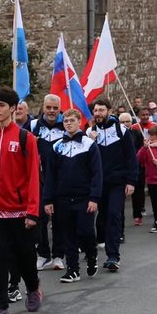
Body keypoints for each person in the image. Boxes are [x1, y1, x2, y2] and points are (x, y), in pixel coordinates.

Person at [0, 88, 43, 314]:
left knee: (24, 258)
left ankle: (33, 288)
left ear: (13, 108)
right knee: (0, 258)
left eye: (1, 105)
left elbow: (34, 177)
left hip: (21, 212)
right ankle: (0, 305)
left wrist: (32, 212)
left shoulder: (26, 139)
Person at [43, 108, 103, 281]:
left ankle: (92, 256)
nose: (68, 123)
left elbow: (96, 173)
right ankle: (73, 270)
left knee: (85, 232)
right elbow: (50, 175)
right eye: (66, 120)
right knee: (67, 234)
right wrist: (48, 199)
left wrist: (94, 197)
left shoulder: (89, 144)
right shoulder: (56, 146)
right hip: (62, 198)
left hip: (84, 198)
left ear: (79, 122)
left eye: (72, 120)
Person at [88, 97, 137, 268]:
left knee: (114, 216)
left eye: (101, 110)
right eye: (95, 110)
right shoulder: (90, 132)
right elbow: (86, 160)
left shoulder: (121, 130)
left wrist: (131, 180)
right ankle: (95, 246)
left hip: (117, 182)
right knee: (100, 218)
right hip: (98, 184)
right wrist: (92, 142)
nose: (98, 113)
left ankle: (113, 256)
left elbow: (131, 157)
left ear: (109, 111)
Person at [29, 95, 67, 271]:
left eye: (55, 108)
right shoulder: (33, 126)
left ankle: (59, 255)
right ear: (43, 107)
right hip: (40, 179)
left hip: (61, 180)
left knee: (59, 219)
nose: (51, 111)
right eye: (48, 107)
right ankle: (43, 254)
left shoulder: (67, 125)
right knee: (41, 218)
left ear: (60, 108)